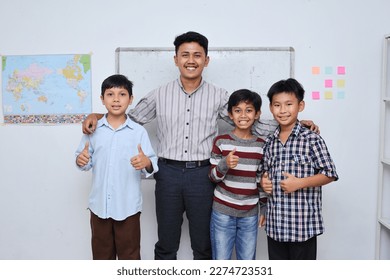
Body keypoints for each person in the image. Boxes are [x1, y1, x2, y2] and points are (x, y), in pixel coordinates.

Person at [82, 31, 318, 260]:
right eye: (185, 54)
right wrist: (96, 115)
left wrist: (290, 124)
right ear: (176, 59)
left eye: (197, 55)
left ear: (206, 60)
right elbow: (129, 118)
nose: (191, 60)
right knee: (166, 243)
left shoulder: (218, 96)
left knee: (203, 245)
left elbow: (246, 121)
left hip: (202, 175)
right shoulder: (159, 94)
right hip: (168, 174)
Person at [75, 74, 158, 260]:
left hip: (127, 207)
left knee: (130, 256)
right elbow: (83, 159)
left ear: (131, 99)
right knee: (101, 256)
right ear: (102, 99)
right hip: (99, 206)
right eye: (110, 94)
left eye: (122, 94)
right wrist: (81, 160)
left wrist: (147, 163)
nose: (116, 99)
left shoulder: (138, 132)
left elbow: (152, 163)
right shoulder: (92, 130)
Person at [260, 78, 338, 260]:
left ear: (300, 106)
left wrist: (300, 183)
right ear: (271, 108)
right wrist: (264, 183)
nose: (283, 110)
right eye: (277, 105)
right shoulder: (269, 143)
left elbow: (330, 173)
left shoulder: (311, 139)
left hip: (302, 227)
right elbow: (263, 174)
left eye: (289, 104)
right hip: (276, 225)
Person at [209, 89, 267, 260]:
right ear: (230, 114)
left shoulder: (261, 145)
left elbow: (260, 180)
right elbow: (212, 177)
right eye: (237, 110)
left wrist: (263, 207)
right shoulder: (221, 141)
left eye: (249, 110)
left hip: (249, 215)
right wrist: (224, 164)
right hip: (222, 213)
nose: (243, 115)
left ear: (257, 114)